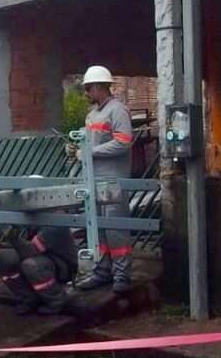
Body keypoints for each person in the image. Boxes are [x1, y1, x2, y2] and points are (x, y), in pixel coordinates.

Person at [69, 65, 135, 293]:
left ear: (98, 87)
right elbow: (92, 145)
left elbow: (123, 141)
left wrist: (90, 152)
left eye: (88, 88)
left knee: (115, 229)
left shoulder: (117, 110)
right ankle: (102, 270)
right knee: (97, 229)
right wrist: (78, 149)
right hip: (93, 181)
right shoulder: (91, 115)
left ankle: (121, 276)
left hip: (113, 181)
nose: (86, 93)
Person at [0, 224, 78, 315]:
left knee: (31, 265)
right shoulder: (25, 217)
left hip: (62, 265)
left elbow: (29, 250)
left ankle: (57, 300)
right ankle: (29, 298)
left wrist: (10, 233)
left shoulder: (54, 223)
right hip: (39, 258)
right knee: (1, 260)